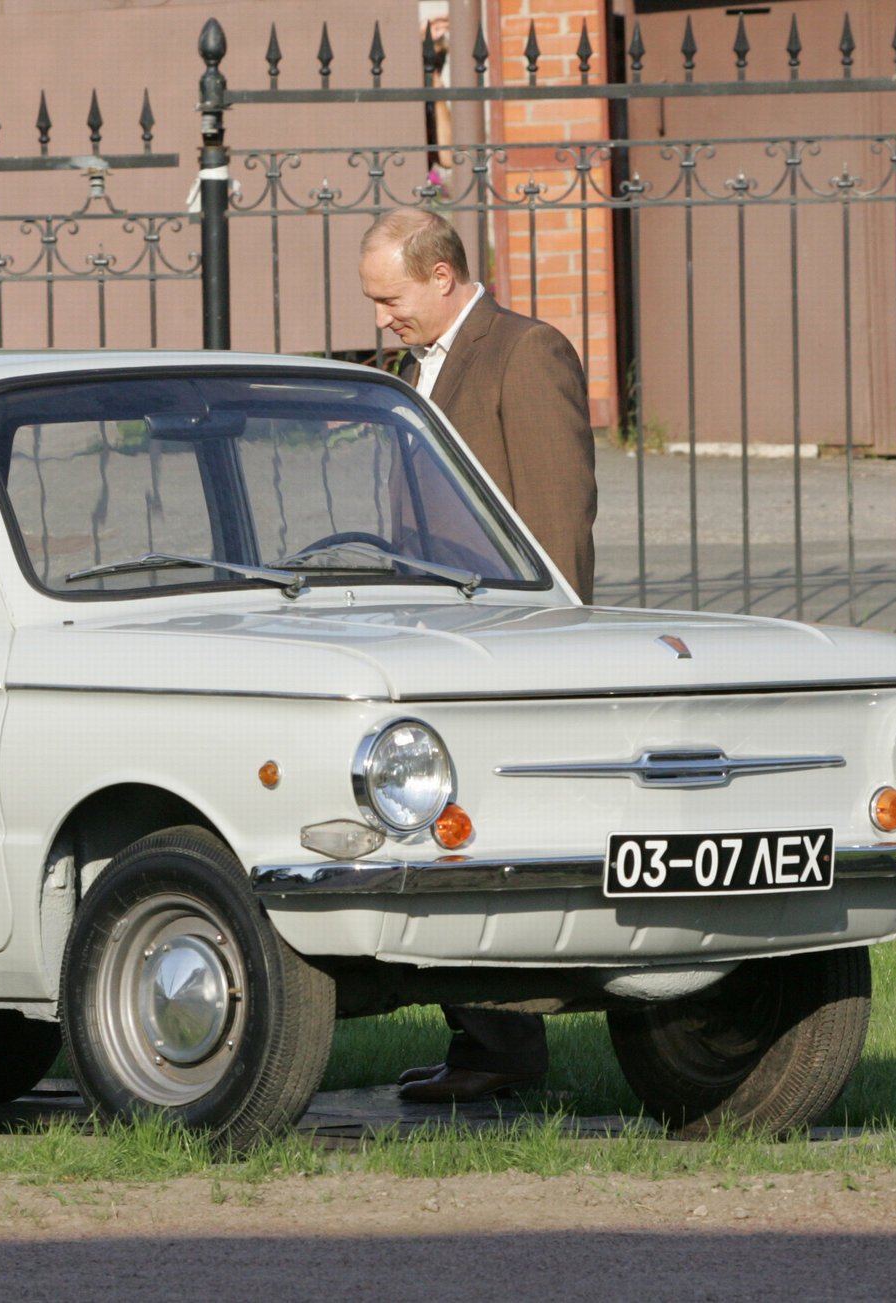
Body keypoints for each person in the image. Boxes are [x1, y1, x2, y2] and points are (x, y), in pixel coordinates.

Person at [357, 206, 597, 1105]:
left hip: (507, 646)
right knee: (441, 832)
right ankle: (486, 1043)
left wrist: (554, 641)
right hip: (434, 642)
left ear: (442, 275)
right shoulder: (417, 366)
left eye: (391, 298)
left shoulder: (524, 352)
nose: (381, 316)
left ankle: (504, 1045)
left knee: (493, 835)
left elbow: (557, 512)